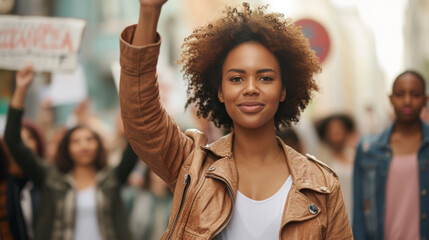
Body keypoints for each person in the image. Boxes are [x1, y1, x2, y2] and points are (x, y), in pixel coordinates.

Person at [119, 1, 352, 239]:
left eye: (265, 78)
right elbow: (141, 115)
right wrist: (149, 10)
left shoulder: (322, 185)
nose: (250, 88)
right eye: (236, 79)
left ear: (284, 90)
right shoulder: (191, 165)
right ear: (220, 91)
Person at [4, 64, 138, 240]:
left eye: (89, 139)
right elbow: (12, 140)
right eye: (76, 141)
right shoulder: (50, 178)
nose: (84, 145)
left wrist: (130, 102)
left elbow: (135, 145)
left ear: (98, 146)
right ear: (66, 148)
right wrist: (21, 89)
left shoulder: (111, 178)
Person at [353, 70, 429, 240]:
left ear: (425, 99)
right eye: (400, 94)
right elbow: (359, 211)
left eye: (415, 95)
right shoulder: (368, 149)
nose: (407, 101)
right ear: (391, 99)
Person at [316, 114, 357, 220]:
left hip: (358, 211)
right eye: (332, 130)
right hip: (337, 215)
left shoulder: (355, 154)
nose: (336, 133)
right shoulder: (321, 161)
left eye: (340, 129)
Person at [129, 169, 173, 240]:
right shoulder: (137, 197)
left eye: (165, 174)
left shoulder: (174, 203)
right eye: (157, 173)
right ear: (150, 174)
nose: (160, 178)